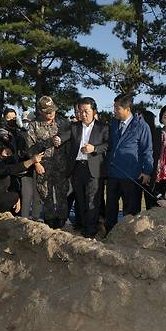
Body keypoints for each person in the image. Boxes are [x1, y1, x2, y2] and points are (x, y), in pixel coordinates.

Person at [105, 93, 154, 234]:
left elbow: (147, 150)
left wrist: (147, 171)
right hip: (113, 174)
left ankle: (129, 238)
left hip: (131, 175)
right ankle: (110, 235)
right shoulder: (114, 124)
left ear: (127, 109)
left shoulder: (141, 126)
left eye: (117, 108)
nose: (114, 110)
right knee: (111, 209)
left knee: (130, 211)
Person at [64, 97, 109, 238]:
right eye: (80, 111)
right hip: (77, 168)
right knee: (80, 200)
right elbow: (64, 136)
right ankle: (83, 226)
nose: (83, 114)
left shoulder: (103, 127)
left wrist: (94, 148)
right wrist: (58, 138)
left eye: (86, 111)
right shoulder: (74, 127)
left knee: (92, 201)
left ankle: (90, 231)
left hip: (94, 168)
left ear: (94, 110)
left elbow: (108, 145)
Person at [25, 96, 71, 229]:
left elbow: (71, 139)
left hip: (61, 165)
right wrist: (36, 164)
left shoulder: (63, 123)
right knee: (46, 195)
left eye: (53, 110)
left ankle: (62, 220)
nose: (51, 113)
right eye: (47, 111)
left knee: (62, 194)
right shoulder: (33, 125)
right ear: (40, 111)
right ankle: (49, 221)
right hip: (43, 165)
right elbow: (30, 148)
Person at [0, 146, 44, 215]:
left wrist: (17, 199)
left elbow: (12, 183)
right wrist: (32, 161)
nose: (9, 156)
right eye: (6, 153)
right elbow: (11, 169)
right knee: (13, 196)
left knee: (14, 200)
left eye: (10, 154)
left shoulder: (8, 167)